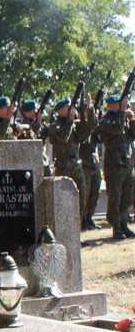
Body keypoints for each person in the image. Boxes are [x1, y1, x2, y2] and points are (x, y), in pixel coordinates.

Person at [46, 98, 93, 235]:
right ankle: (66, 232)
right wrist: (71, 121)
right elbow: (63, 137)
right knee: (65, 201)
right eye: (68, 107)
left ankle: (76, 232)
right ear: (60, 110)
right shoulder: (55, 125)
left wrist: (89, 109)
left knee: (82, 199)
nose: (71, 109)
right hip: (64, 167)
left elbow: (90, 128)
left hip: (76, 165)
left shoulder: (74, 124)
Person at [96, 94, 135, 240]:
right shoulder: (105, 120)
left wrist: (132, 120)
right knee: (115, 196)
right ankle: (116, 226)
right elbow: (117, 129)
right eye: (119, 103)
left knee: (127, 194)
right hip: (114, 164)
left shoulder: (123, 119)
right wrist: (123, 114)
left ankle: (124, 223)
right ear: (112, 105)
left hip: (126, 163)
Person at [80, 114, 104, 230]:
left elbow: (100, 137)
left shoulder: (93, 126)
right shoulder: (78, 125)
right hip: (84, 163)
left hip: (94, 162)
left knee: (95, 191)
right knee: (86, 191)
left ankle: (90, 216)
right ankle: (83, 218)